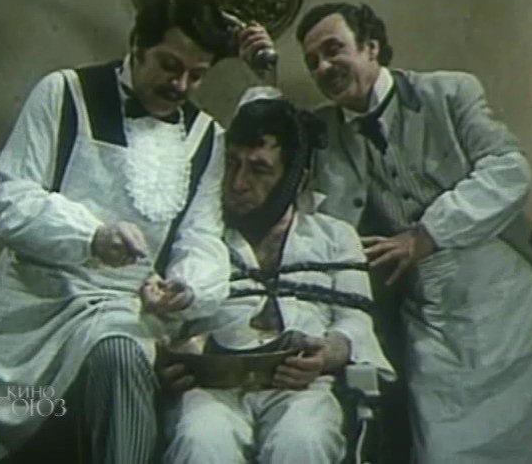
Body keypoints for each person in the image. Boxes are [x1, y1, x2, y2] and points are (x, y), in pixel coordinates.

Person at [0, 0, 275, 464]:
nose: (180, 85)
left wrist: (186, 287)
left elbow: (201, 237)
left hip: (123, 310)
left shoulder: (207, 138)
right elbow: (8, 203)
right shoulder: (64, 94)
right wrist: (92, 236)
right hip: (32, 314)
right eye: (169, 65)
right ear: (137, 45)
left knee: (120, 353)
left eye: (197, 75)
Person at [295, 2, 532, 463]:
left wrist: (428, 233)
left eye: (333, 49)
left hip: (503, 296)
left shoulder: (449, 92)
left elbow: (509, 170)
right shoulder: (324, 130)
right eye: (312, 61)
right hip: (428, 309)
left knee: (522, 446)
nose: (324, 67)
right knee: (442, 446)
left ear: (371, 47)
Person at [155, 89, 395, 464]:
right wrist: (169, 359)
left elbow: (355, 320)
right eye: (232, 164)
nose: (237, 183)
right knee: (200, 441)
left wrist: (327, 353)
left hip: (303, 388)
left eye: (259, 169)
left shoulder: (334, 237)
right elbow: (165, 323)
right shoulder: (198, 236)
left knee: (303, 440)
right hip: (213, 387)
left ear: (297, 180)